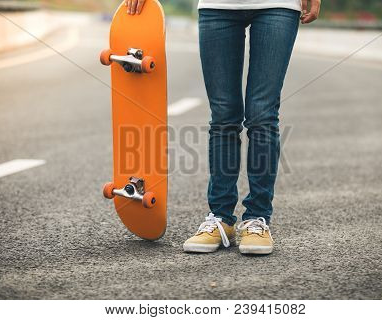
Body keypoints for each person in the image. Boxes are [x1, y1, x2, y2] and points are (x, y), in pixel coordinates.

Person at [125, 0, 321, 255]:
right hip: (218, 5)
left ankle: (257, 219)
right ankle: (221, 218)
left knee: (262, 114)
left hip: (278, 5)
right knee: (223, 116)